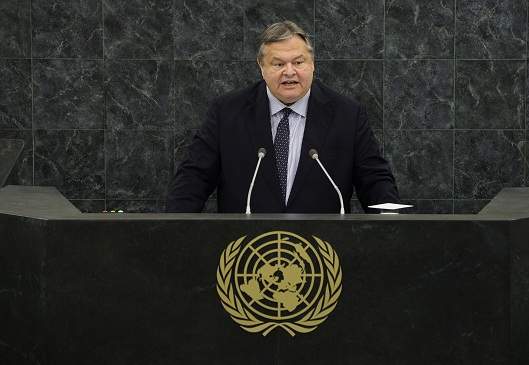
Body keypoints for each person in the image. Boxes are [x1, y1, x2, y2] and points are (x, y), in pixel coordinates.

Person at [166, 21, 398, 213]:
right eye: (278, 64)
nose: (289, 72)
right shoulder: (227, 112)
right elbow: (193, 178)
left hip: (323, 254)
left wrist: (392, 226)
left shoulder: (347, 114)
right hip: (246, 254)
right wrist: (175, 230)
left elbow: (375, 180)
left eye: (298, 62)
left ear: (312, 64)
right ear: (261, 66)